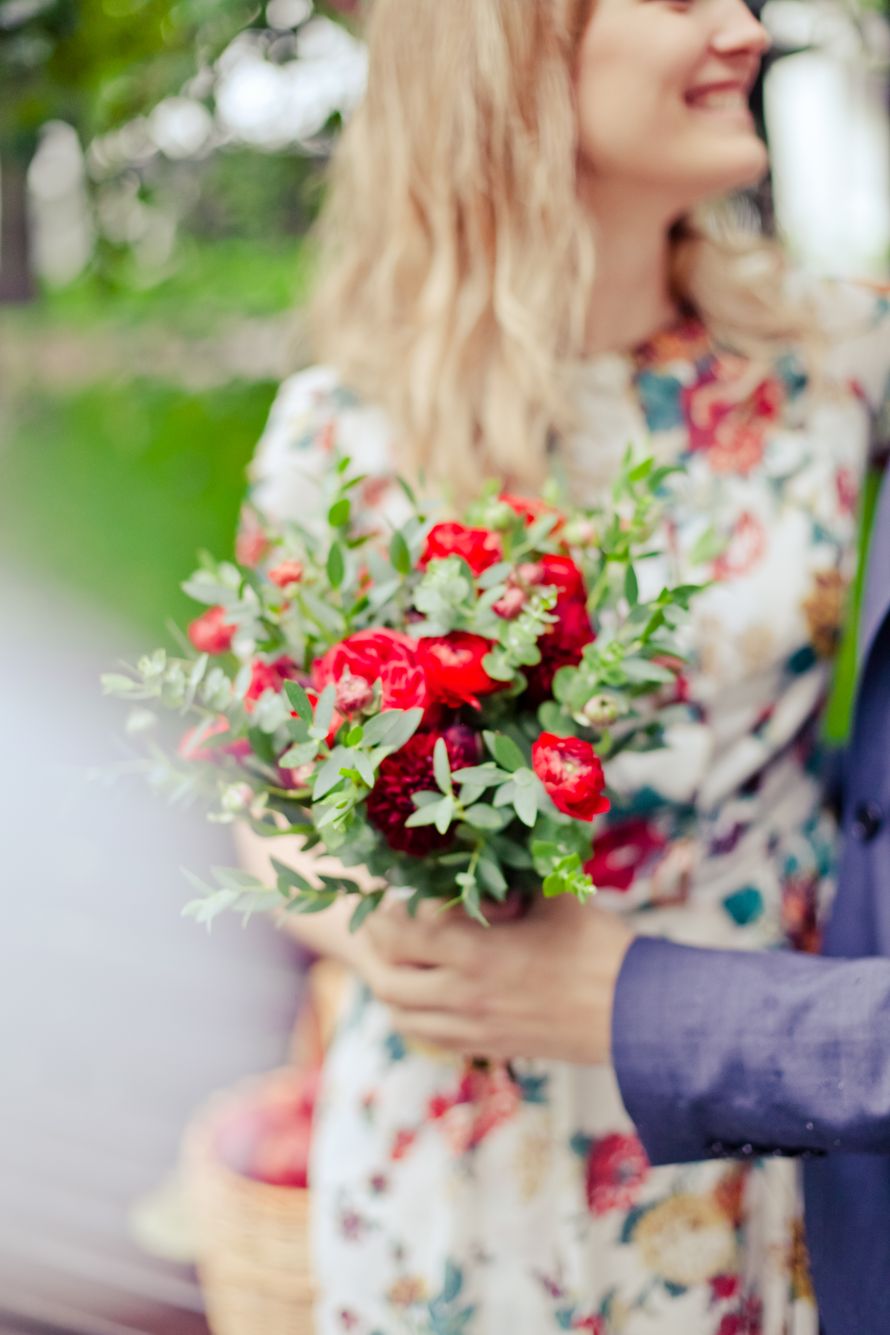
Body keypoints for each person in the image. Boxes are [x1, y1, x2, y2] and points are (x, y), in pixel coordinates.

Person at [234, 1, 890, 1331]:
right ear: (508, 46)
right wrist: (407, 919)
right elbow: (264, 797)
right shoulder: (346, 430)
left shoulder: (833, 364)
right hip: (465, 1127)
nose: (745, 27)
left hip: (750, 1097)